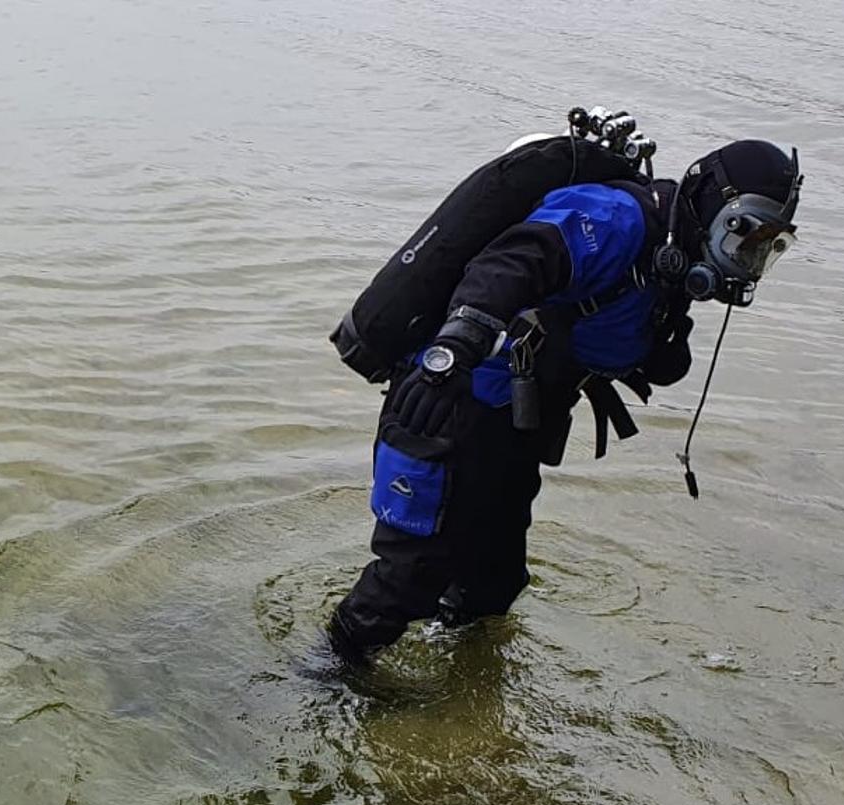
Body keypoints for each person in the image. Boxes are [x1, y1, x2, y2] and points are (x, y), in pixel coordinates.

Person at [324, 136, 803, 667]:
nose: (750, 260)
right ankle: (321, 679)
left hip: (514, 419)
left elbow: (637, 344)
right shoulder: (616, 217)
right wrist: (453, 348)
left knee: (493, 582)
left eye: (767, 248)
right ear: (716, 207)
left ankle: (465, 689)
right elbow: (515, 263)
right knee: (407, 577)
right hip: (449, 400)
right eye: (748, 238)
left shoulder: (673, 257)